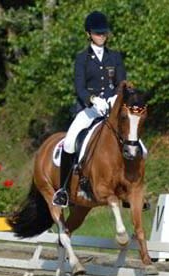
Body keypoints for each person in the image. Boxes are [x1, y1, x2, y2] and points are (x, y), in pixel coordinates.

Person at [53, 11, 149, 210]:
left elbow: (121, 82)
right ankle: (63, 190)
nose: (101, 36)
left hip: (112, 108)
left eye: (104, 33)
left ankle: (132, 189)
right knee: (70, 141)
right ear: (89, 34)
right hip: (89, 109)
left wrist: (116, 98)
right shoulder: (82, 58)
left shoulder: (114, 56)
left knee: (139, 146)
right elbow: (79, 87)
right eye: (97, 33)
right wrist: (93, 100)